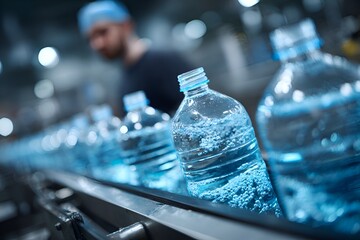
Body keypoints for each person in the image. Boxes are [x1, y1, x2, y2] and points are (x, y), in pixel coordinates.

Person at [77, 0, 194, 116]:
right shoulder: (124, 78)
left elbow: (198, 110)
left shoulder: (164, 61)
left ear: (126, 25)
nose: (97, 44)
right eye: (90, 39)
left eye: (103, 32)